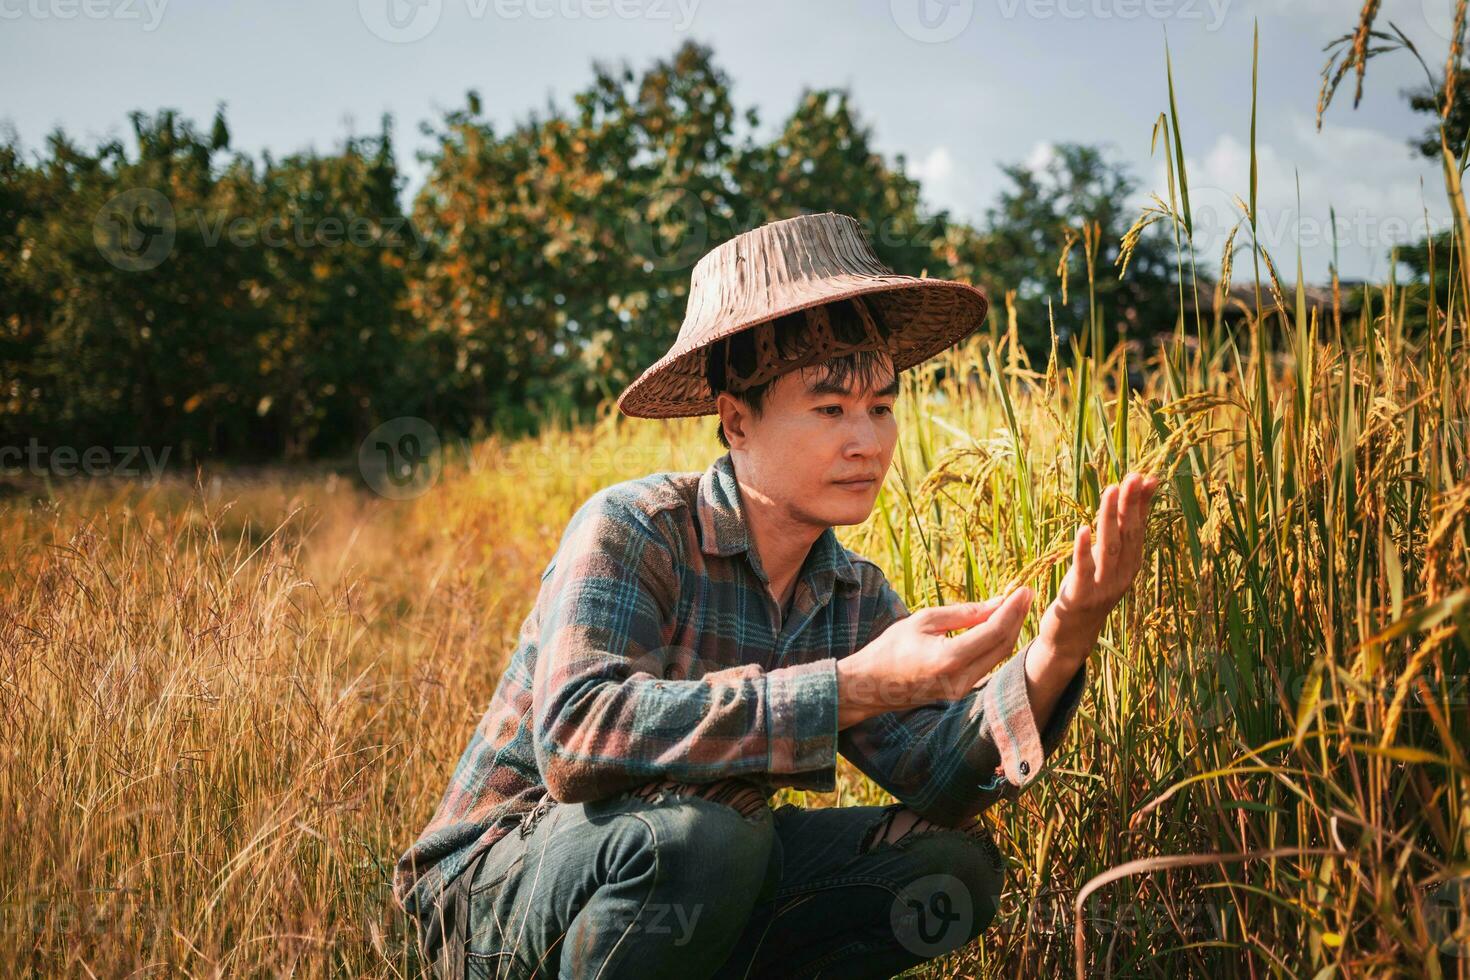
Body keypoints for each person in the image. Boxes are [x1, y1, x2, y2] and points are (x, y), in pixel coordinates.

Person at [394, 211, 1159, 979]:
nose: (868, 440)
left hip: (694, 867)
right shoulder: (634, 528)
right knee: (711, 839)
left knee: (947, 868)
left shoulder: (848, 592)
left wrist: (1063, 639)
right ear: (737, 422)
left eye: (882, 407)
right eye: (830, 410)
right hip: (501, 887)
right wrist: (850, 686)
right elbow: (577, 739)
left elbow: (940, 777)